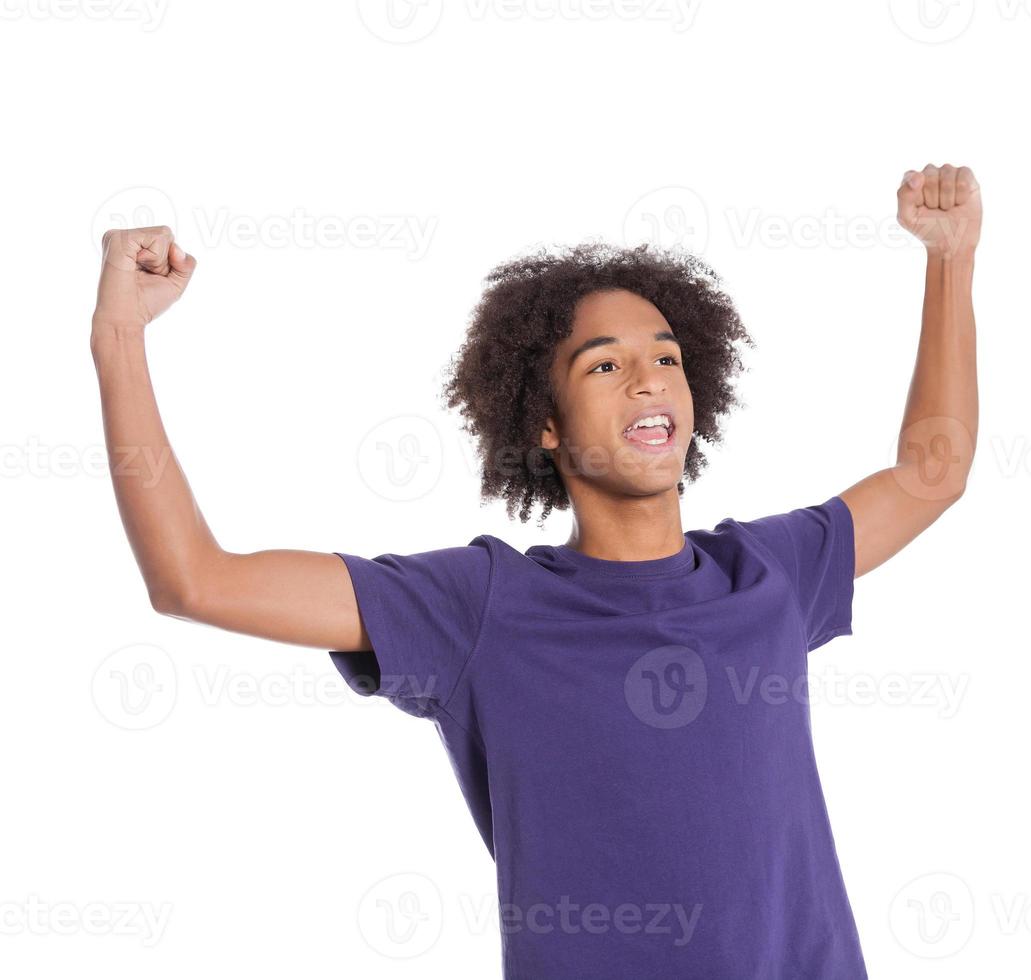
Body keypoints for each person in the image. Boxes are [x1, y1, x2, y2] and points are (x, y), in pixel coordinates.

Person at [90, 163, 981, 979]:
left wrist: (951, 260)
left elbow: (933, 472)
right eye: (606, 364)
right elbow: (193, 579)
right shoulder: (481, 608)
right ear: (545, 425)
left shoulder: (771, 574)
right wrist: (120, 337)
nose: (649, 380)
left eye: (667, 357)